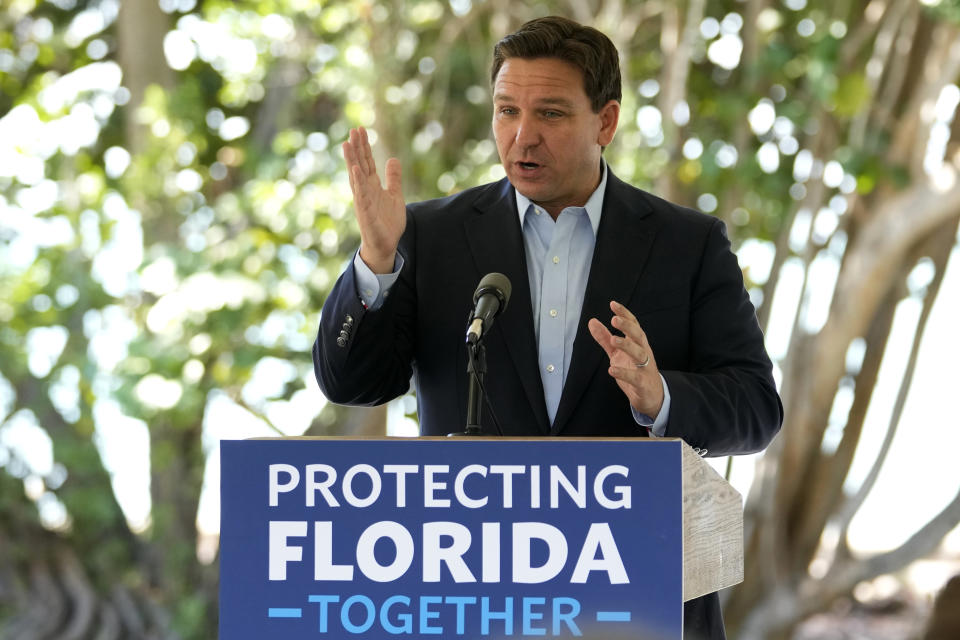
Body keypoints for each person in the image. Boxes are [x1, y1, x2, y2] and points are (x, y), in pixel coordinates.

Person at [313, 16, 782, 640]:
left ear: (606, 122)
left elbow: (756, 408)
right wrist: (375, 264)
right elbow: (351, 383)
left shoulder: (687, 245)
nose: (522, 136)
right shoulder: (428, 237)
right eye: (507, 111)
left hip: (640, 601)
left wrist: (662, 397)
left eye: (552, 114)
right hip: (476, 599)